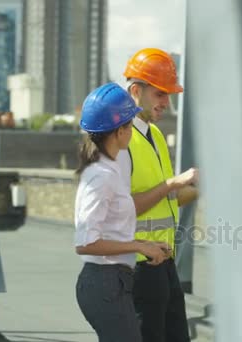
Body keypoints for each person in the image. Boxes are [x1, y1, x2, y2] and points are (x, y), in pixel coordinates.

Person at [74, 82, 170, 342]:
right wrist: (139, 247)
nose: (132, 129)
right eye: (129, 124)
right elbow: (85, 243)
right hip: (104, 284)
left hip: (114, 282)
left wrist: (144, 244)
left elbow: (109, 229)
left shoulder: (110, 170)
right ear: (119, 131)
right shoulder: (101, 177)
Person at [116, 48, 198, 342]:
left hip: (163, 262)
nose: (167, 103)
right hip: (137, 267)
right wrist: (171, 183)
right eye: (160, 94)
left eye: (168, 95)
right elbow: (121, 210)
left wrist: (201, 185)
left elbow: (166, 201)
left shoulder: (156, 135)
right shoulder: (121, 140)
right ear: (136, 91)